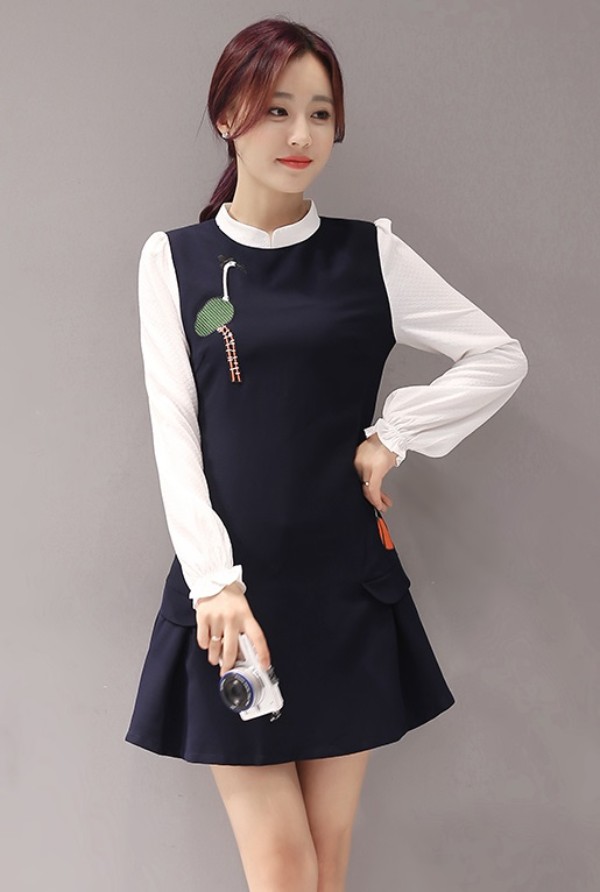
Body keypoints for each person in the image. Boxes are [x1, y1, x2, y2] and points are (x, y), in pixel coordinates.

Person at [124, 15, 528, 892]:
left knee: (326, 863)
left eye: (319, 113)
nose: (301, 134)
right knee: (281, 867)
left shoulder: (368, 254)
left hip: (344, 588)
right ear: (228, 115)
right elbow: (174, 434)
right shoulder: (176, 262)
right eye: (276, 109)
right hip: (234, 600)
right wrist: (214, 583)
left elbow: (498, 356)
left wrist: (393, 435)